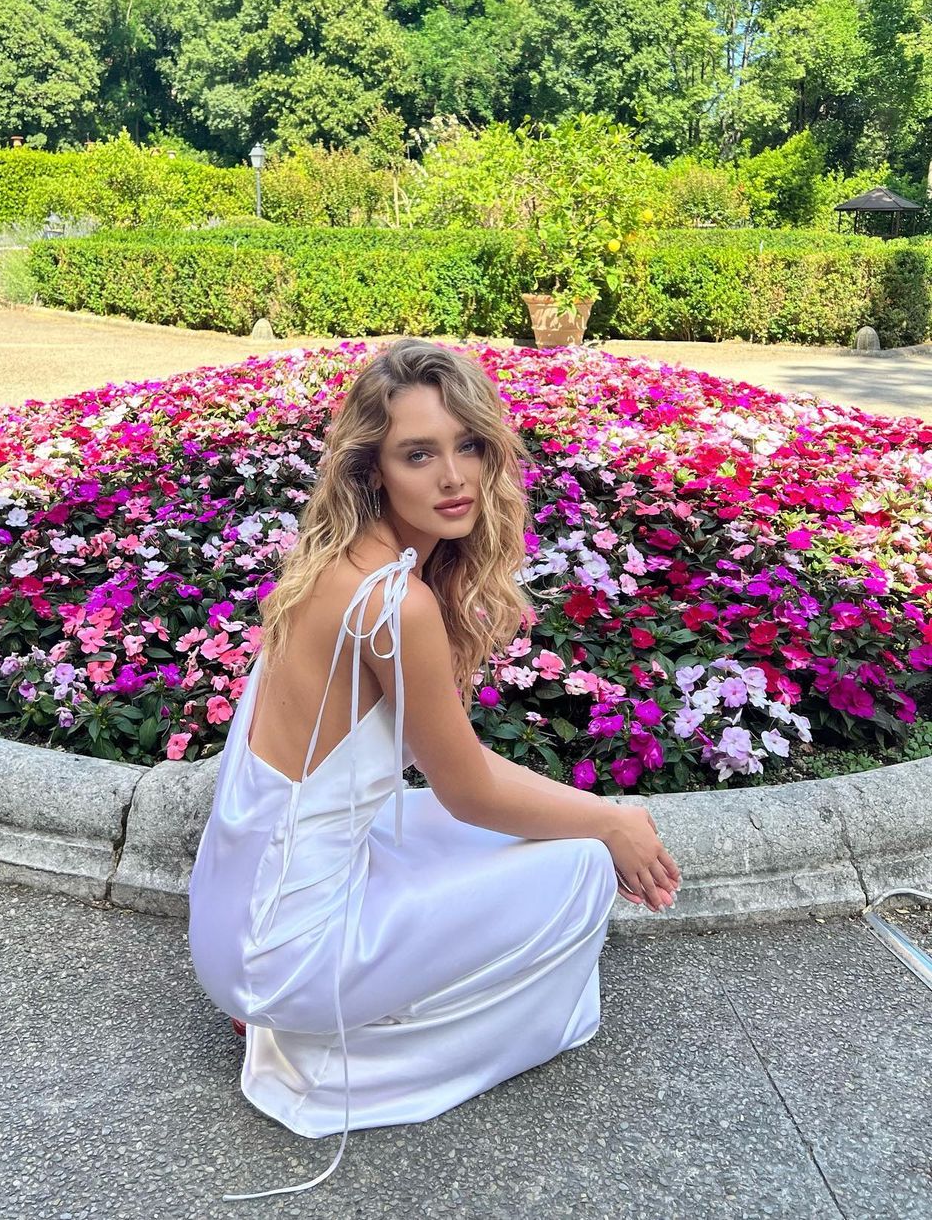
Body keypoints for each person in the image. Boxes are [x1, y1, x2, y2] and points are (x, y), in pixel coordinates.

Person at [187, 338, 682, 1201]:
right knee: (579, 865)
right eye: (418, 453)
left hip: (235, 923)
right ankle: (345, 1052)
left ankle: (317, 1015)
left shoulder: (328, 565)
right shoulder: (396, 603)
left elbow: (443, 780)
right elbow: (470, 788)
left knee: (448, 825)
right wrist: (613, 820)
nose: (454, 477)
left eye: (469, 445)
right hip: (285, 955)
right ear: (372, 469)